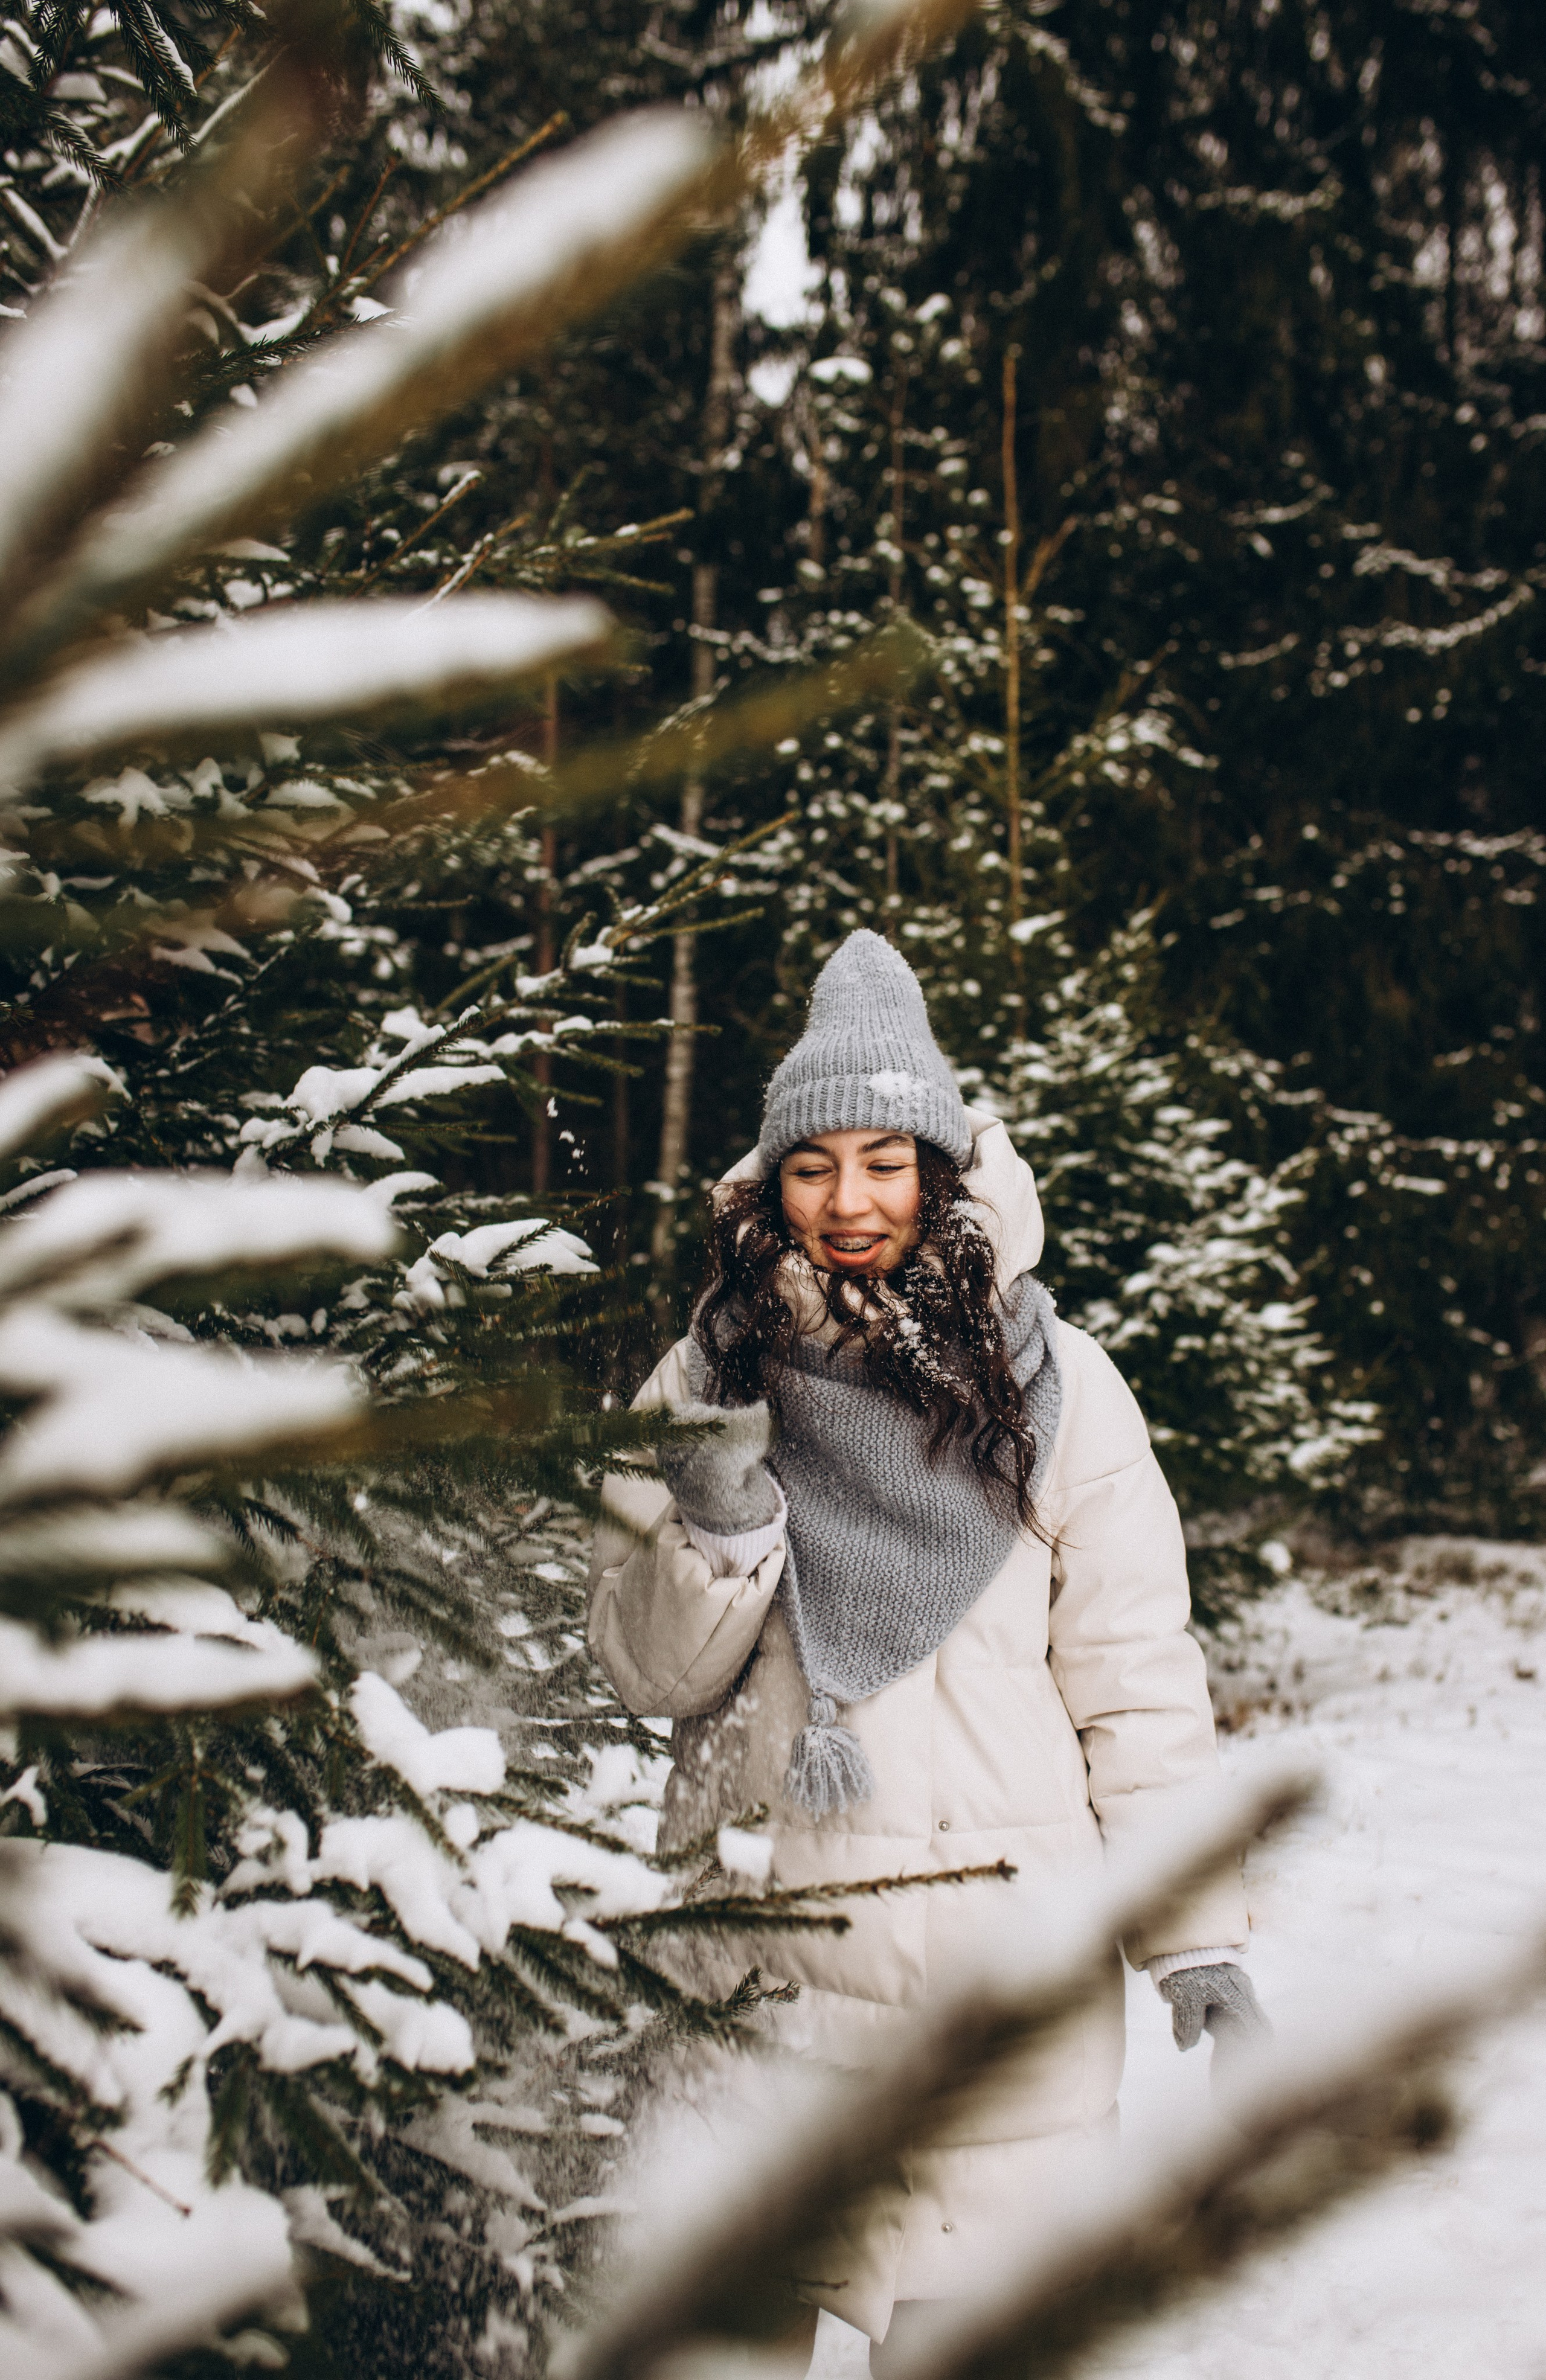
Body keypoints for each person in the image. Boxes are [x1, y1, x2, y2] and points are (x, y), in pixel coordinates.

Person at [587, 929, 1266, 2354]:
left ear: (939, 1171)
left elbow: (1135, 1683)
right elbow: (645, 1670)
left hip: (993, 1995)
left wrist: (1192, 1939)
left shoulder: (1056, 1384)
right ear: (770, 1183)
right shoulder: (706, 1373)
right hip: (756, 1990)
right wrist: (713, 1522)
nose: (849, 1201)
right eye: (812, 1163)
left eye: (883, 1160)